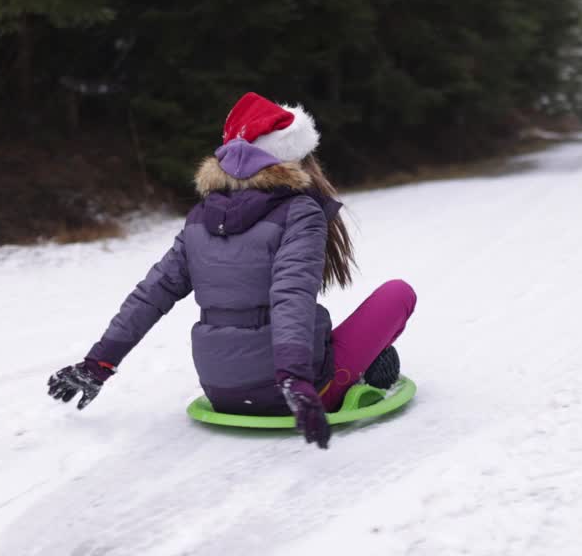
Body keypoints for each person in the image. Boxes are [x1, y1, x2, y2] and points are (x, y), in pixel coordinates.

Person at [46, 93, 417, 449]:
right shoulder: (299, 212)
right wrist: (294, 379)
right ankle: (353, 373)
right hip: (289, 388)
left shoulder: (199, 219)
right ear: (294, 159)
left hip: (219, 388)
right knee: (398, 293)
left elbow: (151, 295)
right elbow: (290, 294)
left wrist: (97, 364)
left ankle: (337, 368)